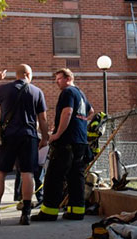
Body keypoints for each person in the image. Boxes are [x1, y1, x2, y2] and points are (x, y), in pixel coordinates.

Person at [0, 64, 49, 226]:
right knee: (27, 173)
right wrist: (44, 138)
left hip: (8, 136)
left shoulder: (5, 89)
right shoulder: (37, 92)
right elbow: (43, 119)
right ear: (27, 74)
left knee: (0, 173)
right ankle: (26, 214)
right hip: (29, 137)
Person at [32, 68, 93, 222]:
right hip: (80, 142)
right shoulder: (81, 93)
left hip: (66, 142)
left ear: (67, 78)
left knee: (54, 176)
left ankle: (49, 212)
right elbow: (91, 111)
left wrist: (57, 134)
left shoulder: (67, 92)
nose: (56, 82)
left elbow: (67, 112)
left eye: (58, 78)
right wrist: (80, 123)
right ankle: (76, 211)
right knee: (75, 177)